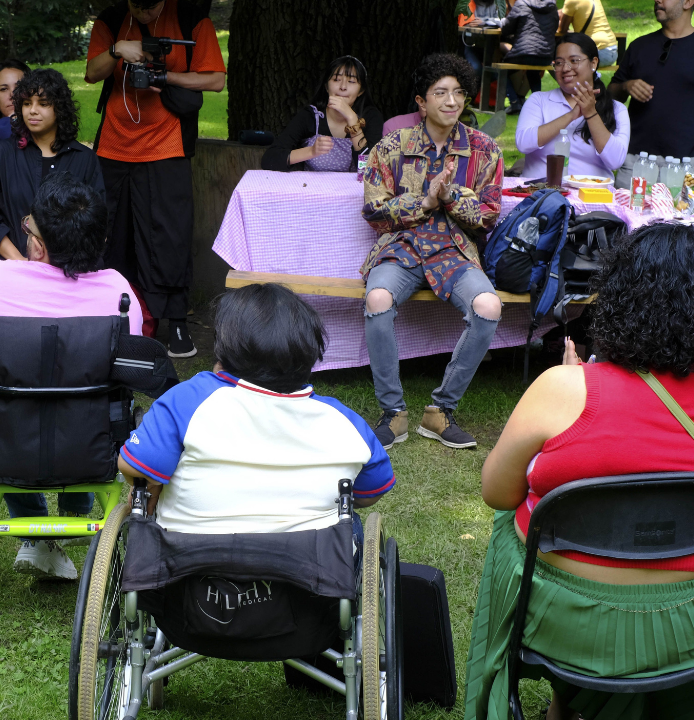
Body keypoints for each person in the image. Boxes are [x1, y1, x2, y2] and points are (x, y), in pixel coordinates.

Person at [463, 221, 694, 720]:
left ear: (617, 299)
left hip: (569, 625)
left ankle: (561, 700)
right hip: (693, 625)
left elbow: (497, 492)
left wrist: (571, 386)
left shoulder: (562, 389)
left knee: (509, 527)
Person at [0, 173, 140, 580]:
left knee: (1, 406)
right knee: (92, 402)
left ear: (38, 244)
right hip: (89, 444)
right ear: (97, 243)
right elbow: (128, 364)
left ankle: (37, 536)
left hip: (9, 437)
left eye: (28, 227)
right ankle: (69, 522)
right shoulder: (118, 294)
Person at [117, 283, 394, 533]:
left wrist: (154, 483)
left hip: (191, 563)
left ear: (223, 348)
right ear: (309, 352)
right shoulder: (342, 420)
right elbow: (371, 490)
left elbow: (133, 466)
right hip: (312, 569)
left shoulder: (187, 400)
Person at [361, 53, 504, 452]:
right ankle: (393, 414)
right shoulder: (391, 146)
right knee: (377, 297)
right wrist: (422, 204)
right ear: (421, 102)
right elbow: (374, 210)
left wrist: (452, 196)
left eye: (458, 93)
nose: (451, 101)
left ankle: (440, 411)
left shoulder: (484, 150)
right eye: (440, 93)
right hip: (402, 247)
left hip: (454, 250)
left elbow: (489, 214)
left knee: (489, 307)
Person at [85, 0, 226, 359]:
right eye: (137, 5)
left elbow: (216, 79)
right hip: (115, 144)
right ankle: (114, 314)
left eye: (151, 7)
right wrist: (118, 50)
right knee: (112, 232)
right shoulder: (113, 19)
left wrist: (165, 77)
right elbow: (91, 73)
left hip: (167, 143)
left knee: (170, 233)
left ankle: (175, 319)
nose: (144, 13)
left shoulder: (192, 17)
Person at [0, 68, 105, 269]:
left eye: (43, 104)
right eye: (26, 104)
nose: (32, 110)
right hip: (9, 264)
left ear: (59, 109)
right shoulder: (3, 154)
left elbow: (96, 222)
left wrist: (57, 268)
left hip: (69, 270)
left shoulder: (84, 159)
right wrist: (21, 262)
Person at [607, 0, 694, 190]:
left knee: (679, 221)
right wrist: (626, 86)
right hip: (635, 163)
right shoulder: (639, 46)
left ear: (688, 2)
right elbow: (611, 96)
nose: (657, 0)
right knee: (623, 219)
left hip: (685, 168)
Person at [514, 34, 629, 180]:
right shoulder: (538, 100)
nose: (565, 68)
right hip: (541, 194)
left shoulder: (616, 109)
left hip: (592, 197)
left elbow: (615, 161)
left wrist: (591, 114)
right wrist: (571, 115)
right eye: (559, 63)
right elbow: (523, 144)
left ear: (593, 63)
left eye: (574, 61)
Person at [261, 56, 385, 173]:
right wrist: (311, 151)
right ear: (326, 86)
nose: (343, 87)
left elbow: (371, 171)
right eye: (336, 80)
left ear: (361, 91)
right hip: (312, 191)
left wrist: (353, 120)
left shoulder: (371, 117)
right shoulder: (311, 116)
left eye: (351, 81)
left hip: (355, 193)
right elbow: (269, 159)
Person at [498, 0, 558, 112]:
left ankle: (514, 102)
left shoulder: (521, 3)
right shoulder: (552, 6)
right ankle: (539, 105)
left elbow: (506, 29)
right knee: (533, 71)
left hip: (524, 53)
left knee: (501, 71)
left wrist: (503, 22)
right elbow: (555, 27)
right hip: (545, 55)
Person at [558, 0, 619, 67]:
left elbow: (562, 30)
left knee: (561, 62)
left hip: (599, 52)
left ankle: (594, 76)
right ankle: (593, 76)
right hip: (613, 50)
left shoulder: (571, 1)